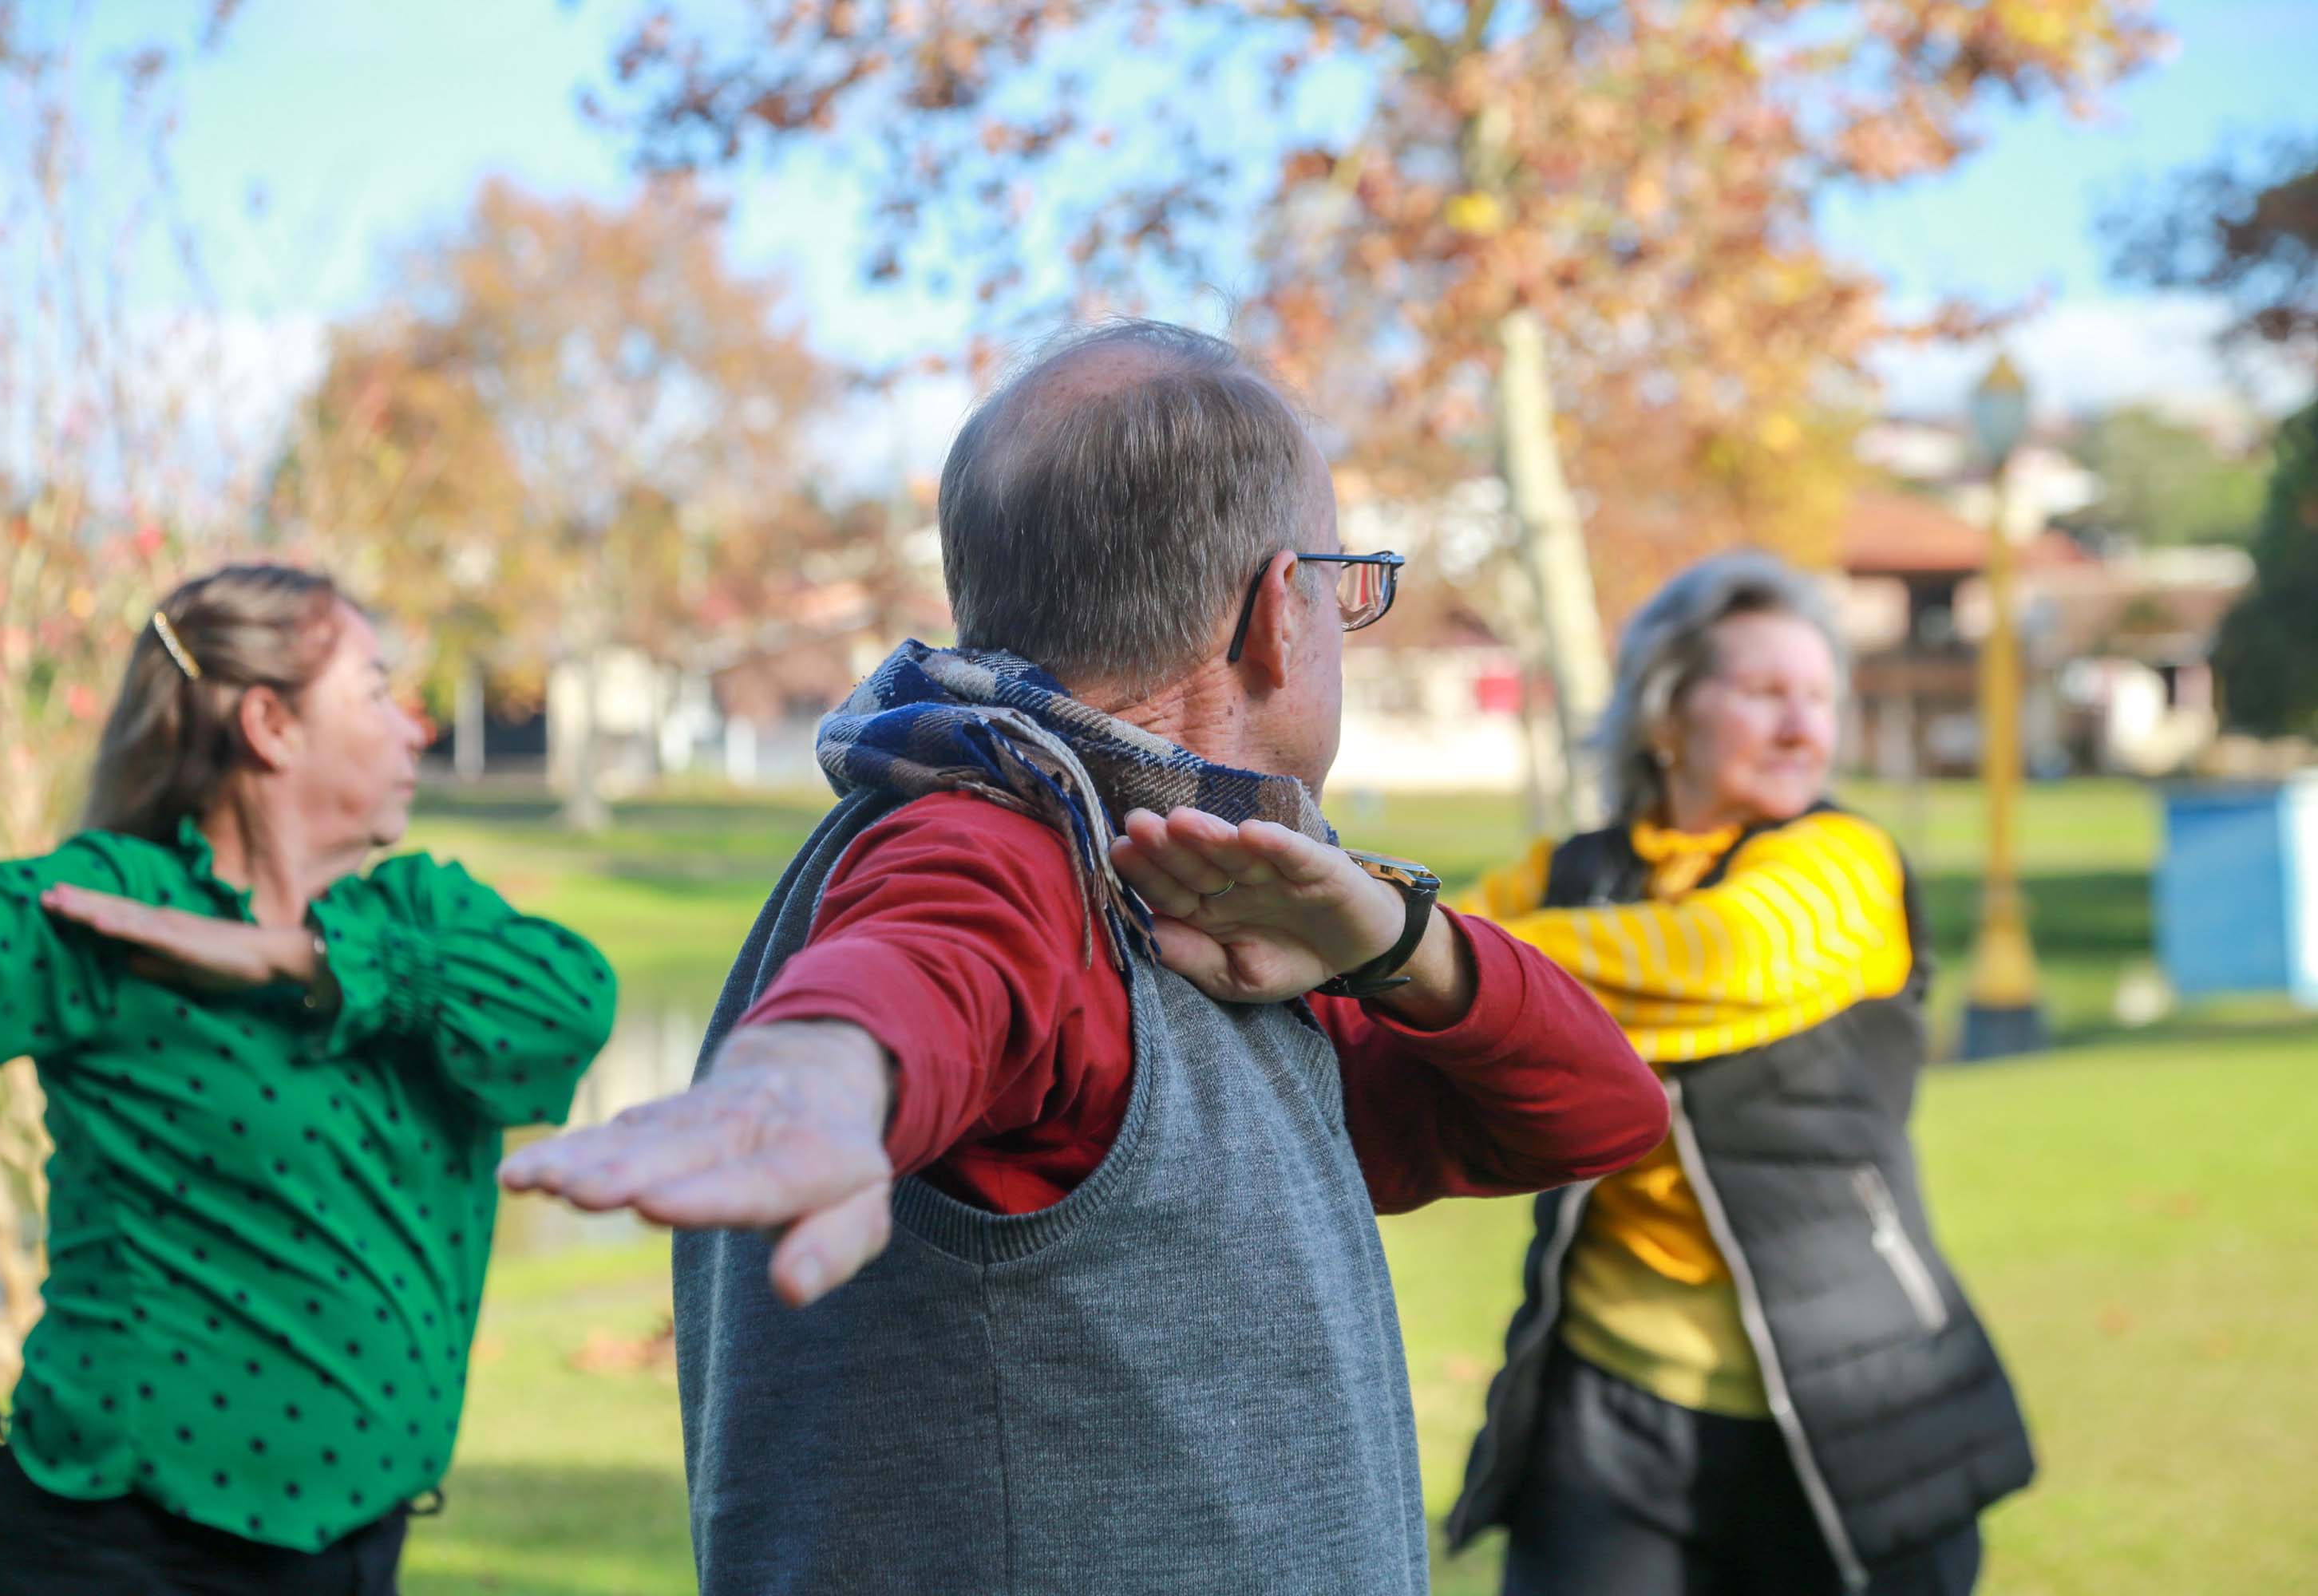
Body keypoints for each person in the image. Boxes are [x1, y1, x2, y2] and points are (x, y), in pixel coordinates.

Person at [500, 319, 1671, 1594]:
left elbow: (1600, 1114)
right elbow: (928, 958)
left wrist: (1400, 942)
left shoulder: (1205, 910)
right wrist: (822, 1079)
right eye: (1347, 585)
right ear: (1280, 612)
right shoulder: (1003, 841)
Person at [0, 564, 617, 1596]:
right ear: (271, 725)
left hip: (355, 1553)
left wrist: (300, 961)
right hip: (116, 1550)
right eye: (377, 692)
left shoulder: (423, 915)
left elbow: (573, 1008)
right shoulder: (118, 911)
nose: (415, 729)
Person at [1444, 551, 2034, 1595]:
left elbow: (1715, 957)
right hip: (1602, 1412)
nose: (1805, 728)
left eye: (1821, 697)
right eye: (1766, 692)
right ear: (1667, 711)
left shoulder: (1846, 862)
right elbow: (1409, 978)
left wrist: (1428, 951)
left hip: (1854, 1403)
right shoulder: (1572, 875)